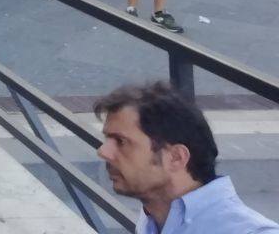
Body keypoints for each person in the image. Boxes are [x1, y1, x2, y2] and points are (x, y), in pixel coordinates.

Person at [96, 82, 279, 234]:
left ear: (176, 157)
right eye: (107, 139)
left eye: (120, 141)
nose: (103, 151)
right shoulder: (155, 218)